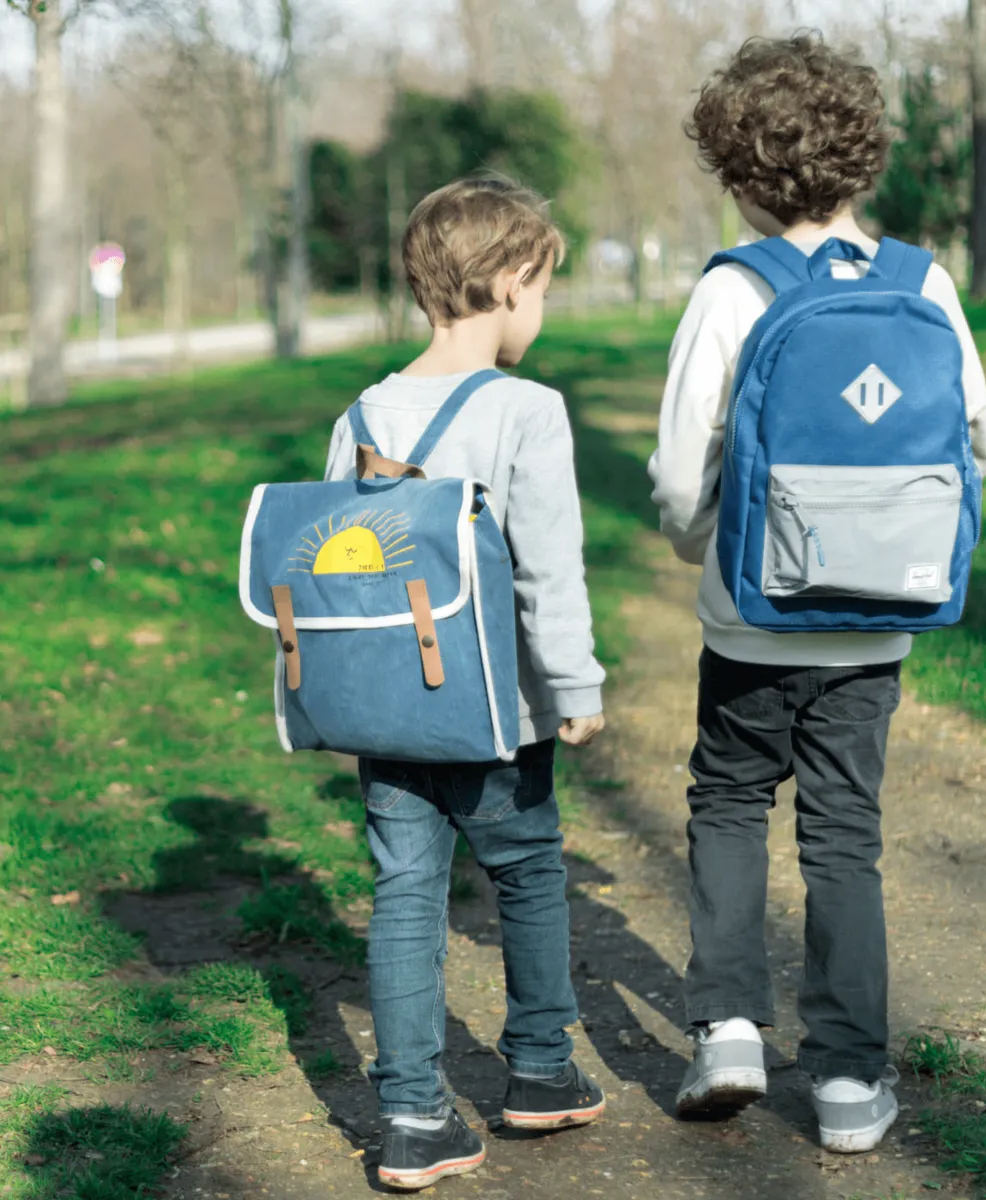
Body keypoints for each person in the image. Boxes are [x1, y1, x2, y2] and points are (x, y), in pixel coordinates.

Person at [650, 33, 986, 1152]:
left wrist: (705, 542)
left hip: (753, 618)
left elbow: (676, 476)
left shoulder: (734, 290)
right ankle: (848, 1082)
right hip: (876, 626)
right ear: (861, 162)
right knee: (846, 834)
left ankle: (732, 1029)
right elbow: (974, 441)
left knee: (730, 804)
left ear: (741, 175)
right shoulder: (924, 280)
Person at [325, 176, 607, 1191]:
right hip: (499, 709)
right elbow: (548, 566)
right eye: (543, 288)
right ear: (509, 282)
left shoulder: (363, 409)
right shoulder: (529, 410)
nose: (543, 308)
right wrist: (574, 687)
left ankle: (409, 1118)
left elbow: (341, 566)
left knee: (404, 890)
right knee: (527, 871)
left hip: (385, 706)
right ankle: (539, 1071)